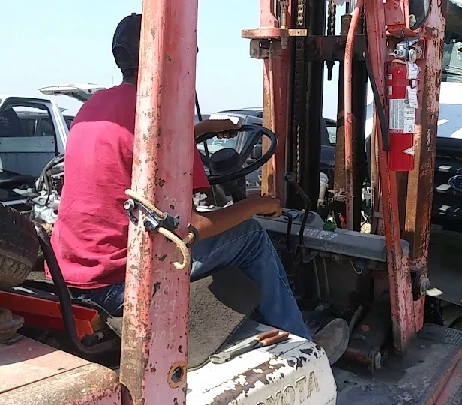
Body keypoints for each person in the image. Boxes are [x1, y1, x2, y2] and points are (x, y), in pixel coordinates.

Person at [50, 13, 349, 364]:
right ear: (168, 54)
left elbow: (141, 144)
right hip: (122, 280)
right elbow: (189, 228)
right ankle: (305, 346)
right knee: (250, 237)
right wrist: (260, 204)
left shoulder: (96, 106)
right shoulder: (165, 120)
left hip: (70, 270)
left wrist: (203, 128)